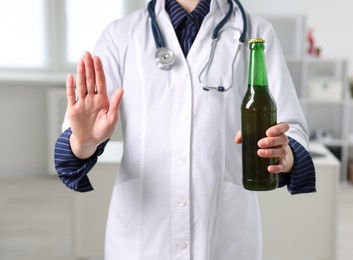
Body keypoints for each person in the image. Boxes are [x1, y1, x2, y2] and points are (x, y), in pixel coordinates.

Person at [54, 0, 316, 259]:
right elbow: (80, 135)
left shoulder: (257, 33)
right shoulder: (121, 35)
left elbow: (291, 129)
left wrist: (284, 152)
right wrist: (84, 141)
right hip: (144, 235)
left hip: (226, 231)